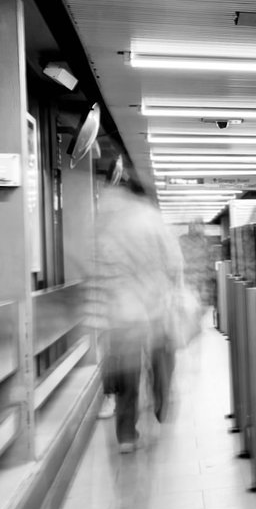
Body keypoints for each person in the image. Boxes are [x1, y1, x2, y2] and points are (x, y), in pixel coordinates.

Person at [87, 171, 184, 451]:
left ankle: (127, 435)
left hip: (121, 313)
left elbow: (97, 269)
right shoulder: (152, 221)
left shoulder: (107, 224)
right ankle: (161, 404)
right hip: (153, 309)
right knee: (161, 359)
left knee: (127, 376)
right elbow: (174, 263)